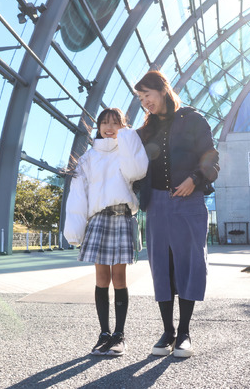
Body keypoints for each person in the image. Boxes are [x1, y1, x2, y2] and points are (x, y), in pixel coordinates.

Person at [134, 70, 219, 358]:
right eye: (140, 97)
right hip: (157, 203)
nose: (145, 102)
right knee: (161, 265)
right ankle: (167, 331)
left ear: (162, 89)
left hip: (189, 201)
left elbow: (211, 157)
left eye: (147, 94)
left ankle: (184, 332)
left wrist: (195, 179)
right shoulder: (145, 130)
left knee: (189, 263)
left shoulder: (193, 119)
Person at [64, 107, 148, 356]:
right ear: (98, 126)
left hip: (122, 217)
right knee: (101, 279)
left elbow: (138, 172)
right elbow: (78, 195)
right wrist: (74, 232)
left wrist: (127, 139)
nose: (109, 127)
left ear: (123, 126)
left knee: (119, 279)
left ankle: (120, 335)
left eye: (115, 123)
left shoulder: (126, 151)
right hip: (99, 220)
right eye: (105, 123)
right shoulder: (88, 157)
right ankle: (104, 334)